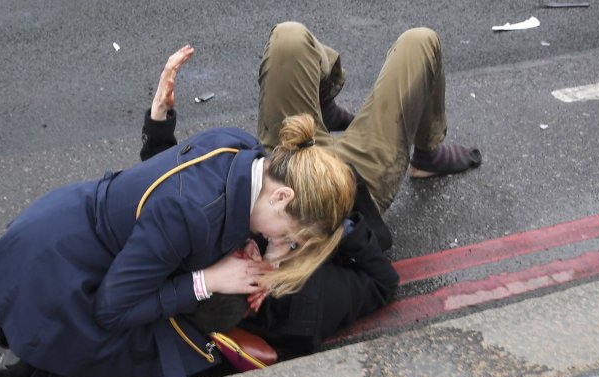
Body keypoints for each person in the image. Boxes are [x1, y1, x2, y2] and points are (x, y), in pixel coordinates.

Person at [0, 104, 356, 377]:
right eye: (290, 236)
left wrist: (258, 252)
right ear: (283, 196)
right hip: (61, 272)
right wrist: (207, 280)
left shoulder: (243, 148)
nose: (284, 246)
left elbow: (168, 188)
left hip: (71, 228)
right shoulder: (189, 215)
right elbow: (112, 309)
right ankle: (30, 359)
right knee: (170, 365)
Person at [141, 23, 480, 357]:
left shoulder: (203, 252)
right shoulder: (303, 310)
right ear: (255, 294)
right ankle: (426, 151)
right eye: (249, 263)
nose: (246, 248)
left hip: (288, 157)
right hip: (353, 182)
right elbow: (382, 283)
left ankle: (321, 108)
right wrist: (333, 224)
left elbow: (169, 195)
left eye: (234, 254)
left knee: (289, 38)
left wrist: (159, 122)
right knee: (420, 42)